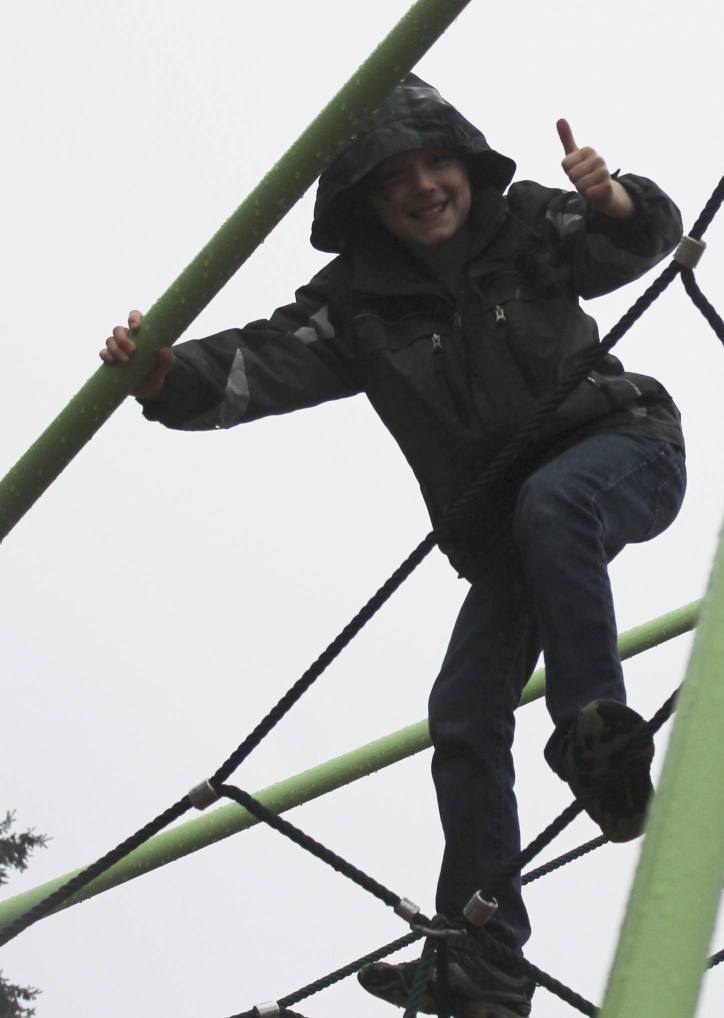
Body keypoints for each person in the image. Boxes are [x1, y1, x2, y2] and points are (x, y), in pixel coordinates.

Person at [101, 76, 686, 1017]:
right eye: (397, 177)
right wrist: (166, 375)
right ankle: (484, 951)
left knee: (551, 504)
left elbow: (630, 242)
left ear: (469, 167)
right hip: (509, 535)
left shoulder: (524, 228)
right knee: (460, 706)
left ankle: (594, 733)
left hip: (622, 450)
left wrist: (611, 195)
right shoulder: (359, 306)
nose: (425, 187)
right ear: (366, 203)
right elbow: (260, 361)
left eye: (439, 163)